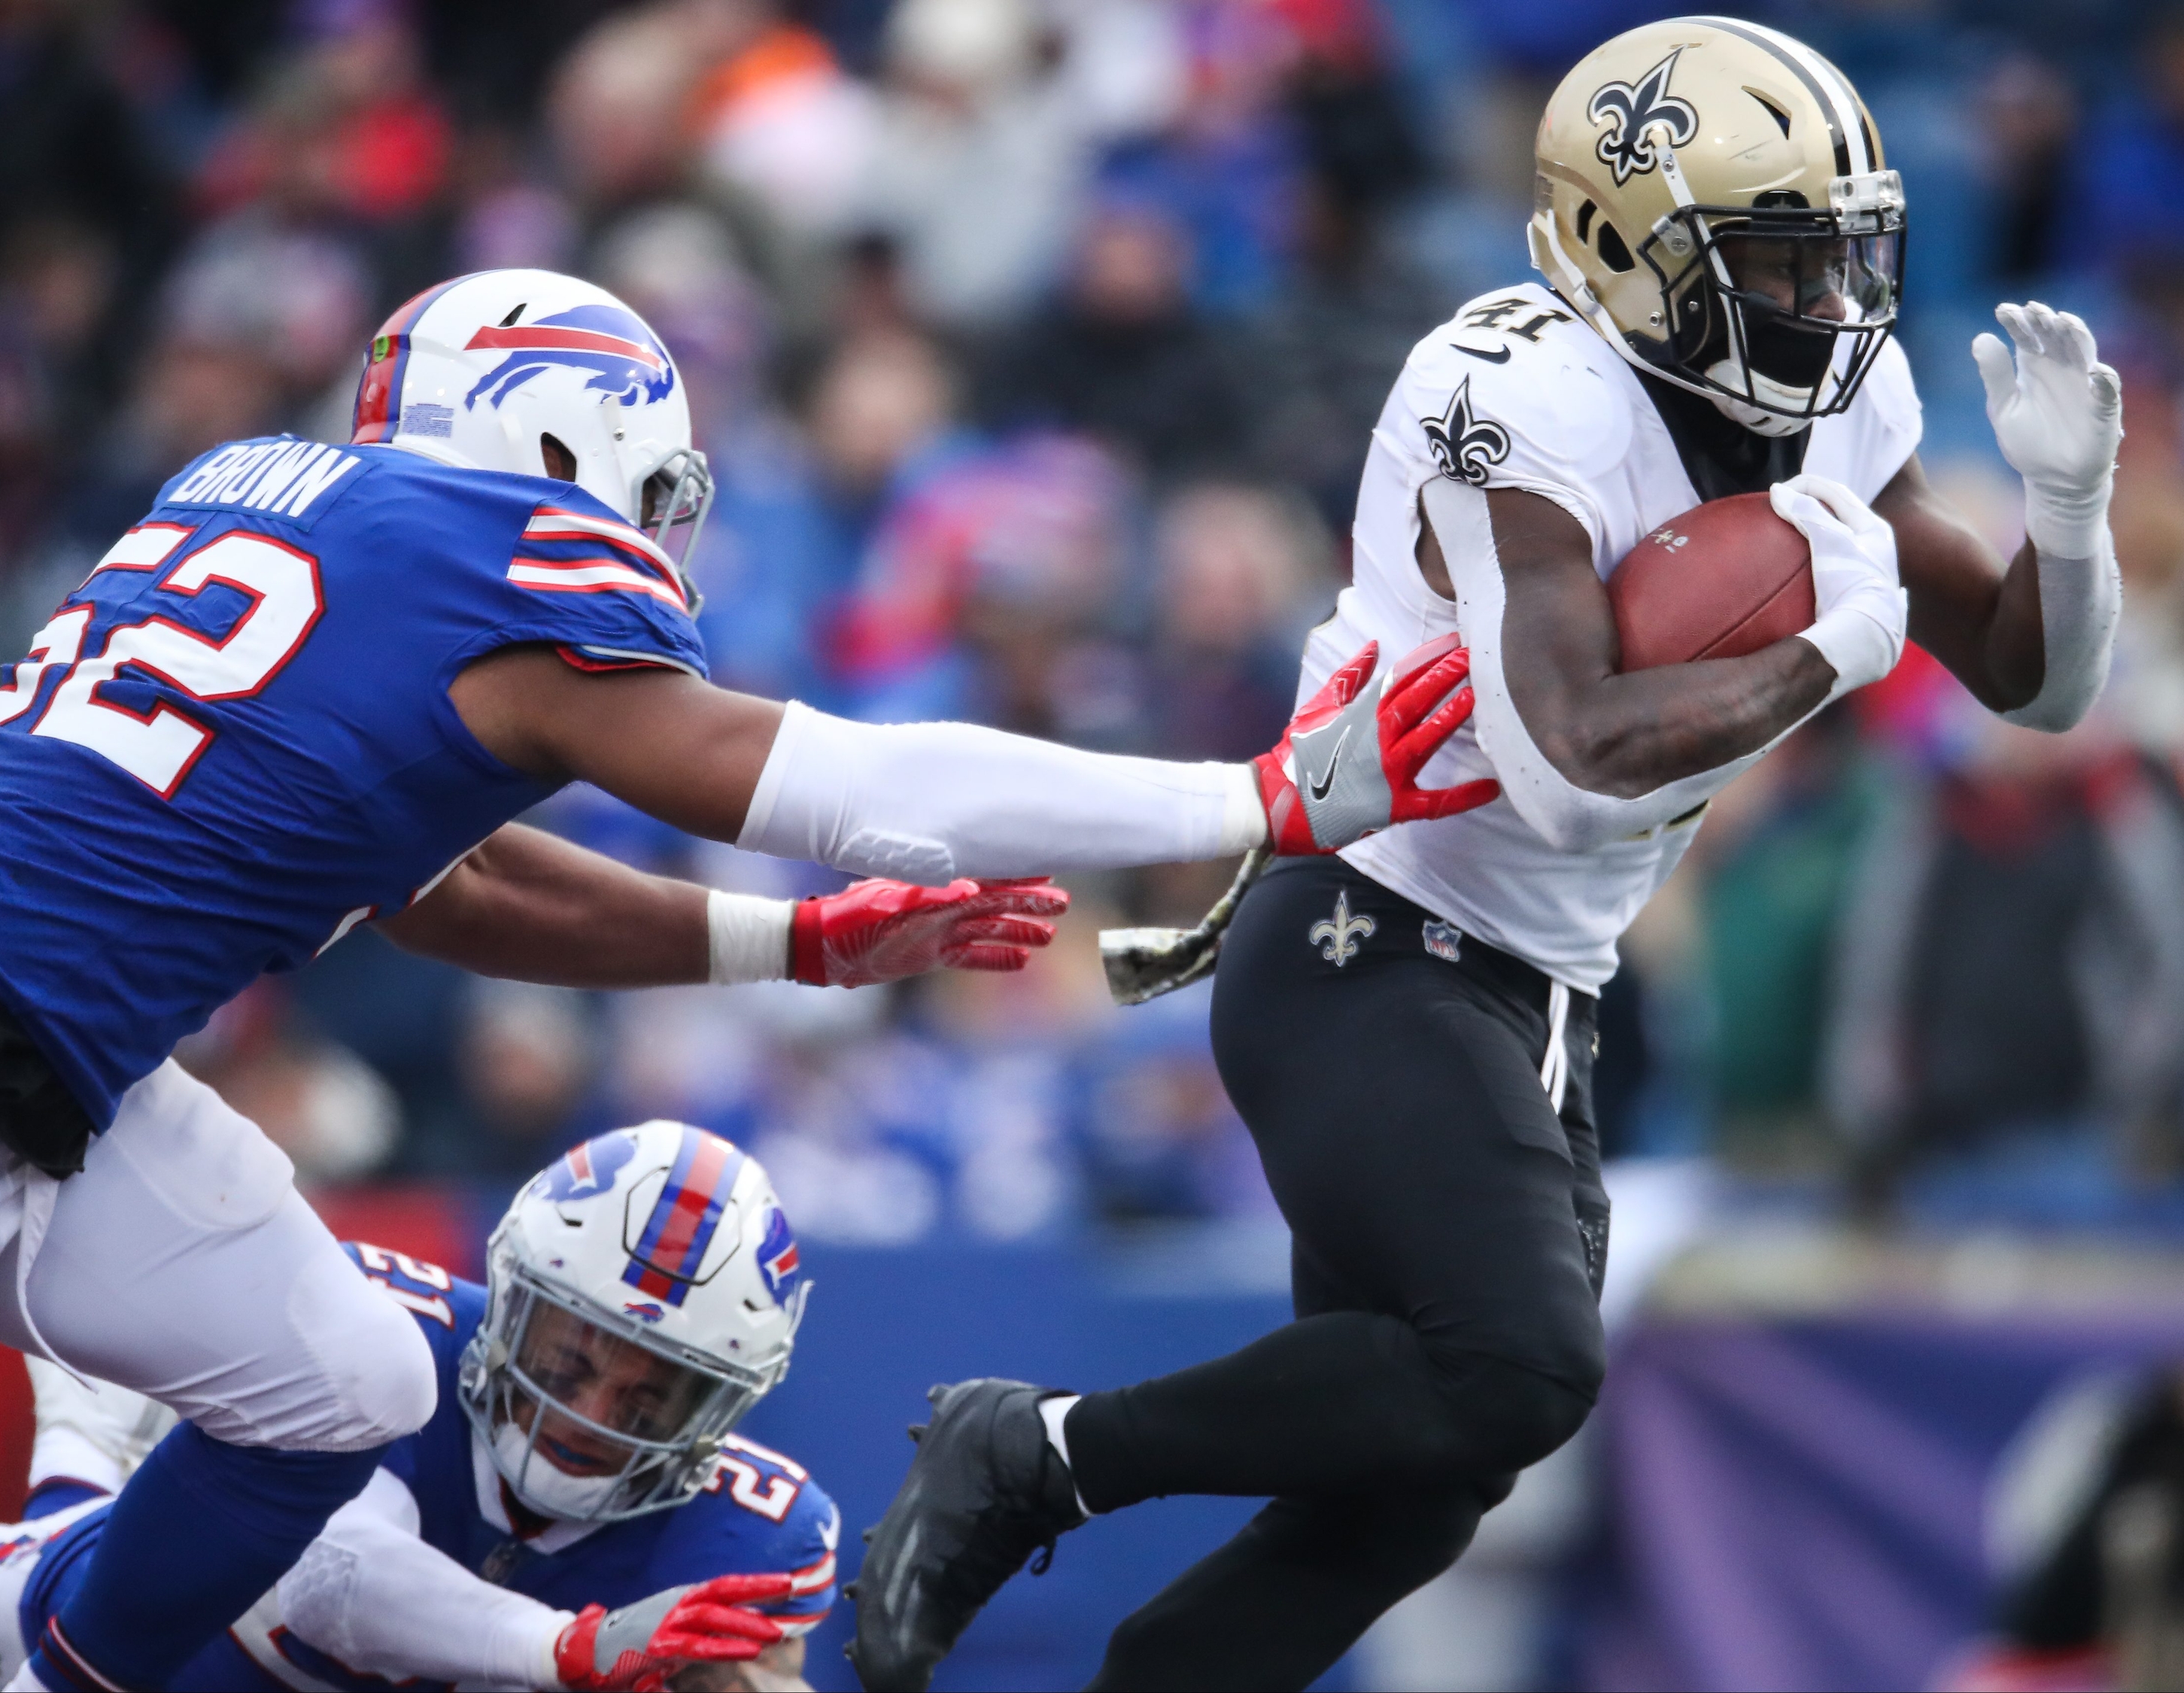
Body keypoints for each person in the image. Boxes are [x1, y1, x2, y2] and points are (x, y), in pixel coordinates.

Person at [0, 264, 1488, 1690]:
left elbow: (441, 887)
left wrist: (792, 943)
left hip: (49, 1054)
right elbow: (859, 788)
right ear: (558, 442)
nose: (655, 527)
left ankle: (51, 1661)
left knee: (334, 1387)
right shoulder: (494, 555)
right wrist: (1251, 801)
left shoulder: (255, 497)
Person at [846, 18, 2127, 1692]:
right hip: (1366, 926)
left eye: (1840, 260)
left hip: (1537, 985)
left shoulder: (1829, 393)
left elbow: (2037, 679)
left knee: (1415, 1490)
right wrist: (1834, 645)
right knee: (1516, 1370)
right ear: (1622, 251)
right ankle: (1040, 1452)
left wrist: (2071, 511)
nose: (1828, 308)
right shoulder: (1514, 391)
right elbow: (1573, 765)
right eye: (1779, 265)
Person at [0, 1123, 837, 1692]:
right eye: (568, 1360)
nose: (588, 1413)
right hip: (93, 1632)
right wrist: (567, 1648)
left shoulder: (749, 1539)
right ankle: (76, 1476)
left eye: (649, 1399)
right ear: (511, 1299)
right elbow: (329, 1577)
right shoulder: (390, 1335)